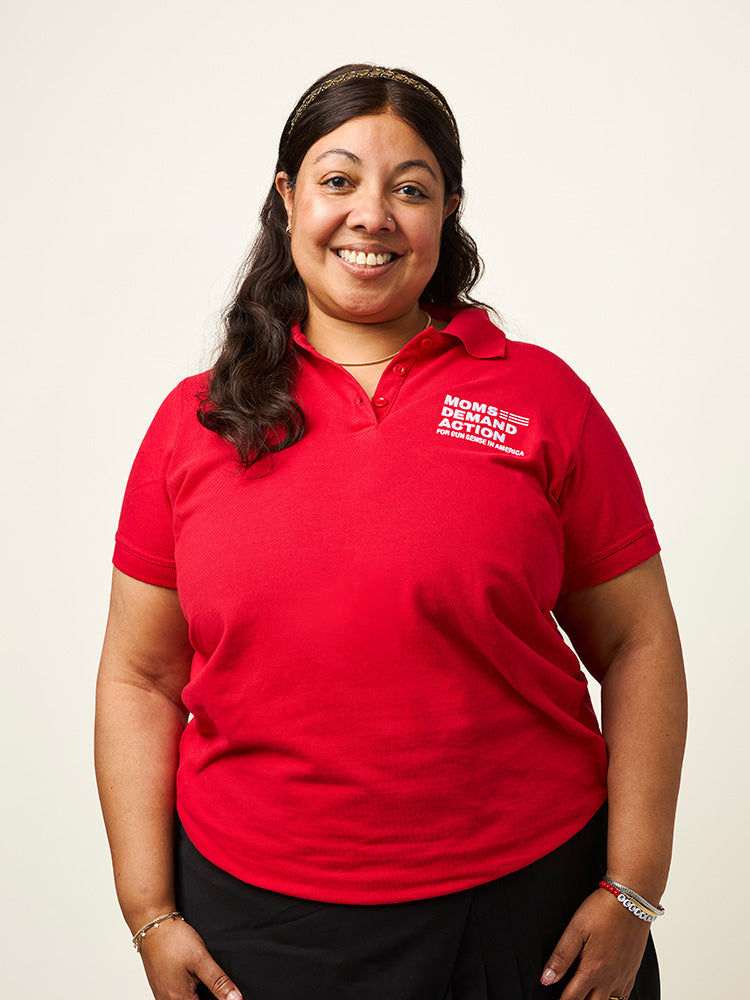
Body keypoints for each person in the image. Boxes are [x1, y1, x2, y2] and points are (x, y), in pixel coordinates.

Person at [95, 64, 687, 1000]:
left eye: (410, 189)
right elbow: (142, 675)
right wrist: (150, 914)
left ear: (449, 210)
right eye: (338, 180)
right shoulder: (195, 422)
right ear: (287, 198)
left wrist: (634, 889)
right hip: (261, 926)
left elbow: (638, 640)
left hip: (531, 913)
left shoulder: (540, 396)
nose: (371, 215)